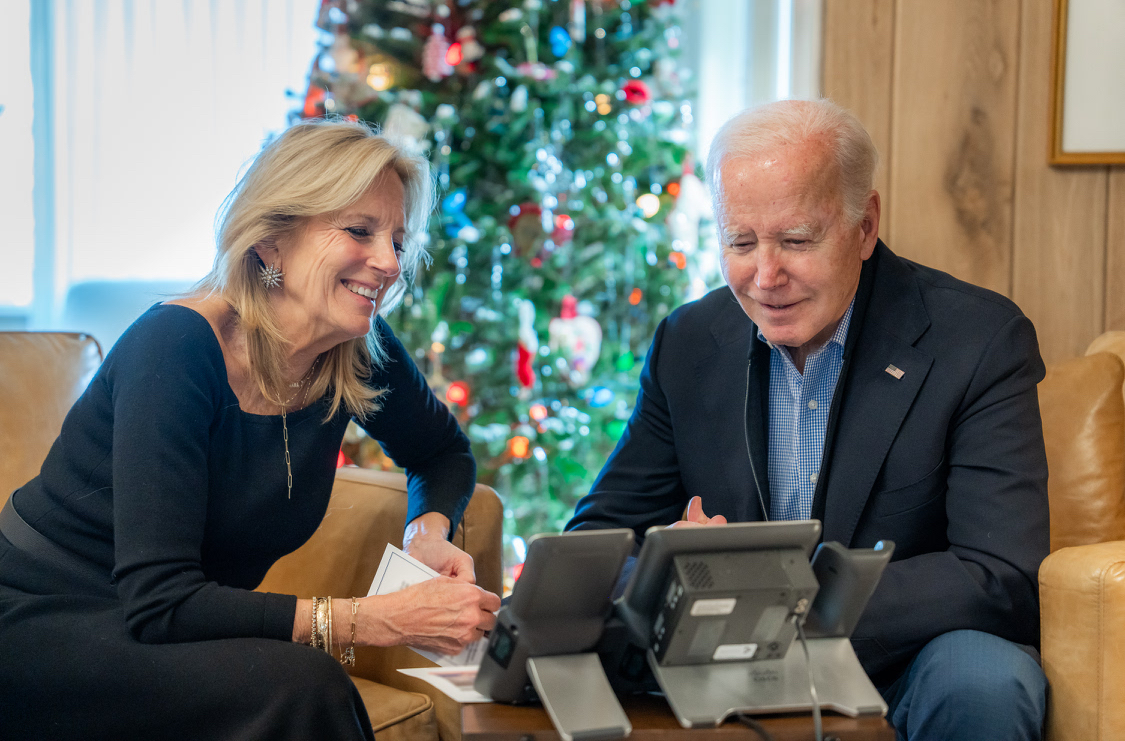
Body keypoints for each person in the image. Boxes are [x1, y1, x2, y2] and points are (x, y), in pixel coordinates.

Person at [0, 119, 501, 740]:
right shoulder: (176, 348)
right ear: (270, 244)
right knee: (303, 686)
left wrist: (427, 534)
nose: (388, 263)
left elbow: (441, 453)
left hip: (165, 623)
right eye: (360, 231)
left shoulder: (358, 346)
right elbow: (162, 600)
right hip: (42, 615)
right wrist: (372, 620)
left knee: (298, 682)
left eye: (398, 240)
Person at [566, 99, 1049, 741]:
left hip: (899, 656)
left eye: (796, 240)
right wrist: (676, 566)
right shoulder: (690, 339)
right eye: (740, 242)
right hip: (719, 659)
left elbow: (1001, 573)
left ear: (865, 224)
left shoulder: (978, 339)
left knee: (986, 681)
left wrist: (784, 597)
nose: (766, 276)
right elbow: (596, 540)